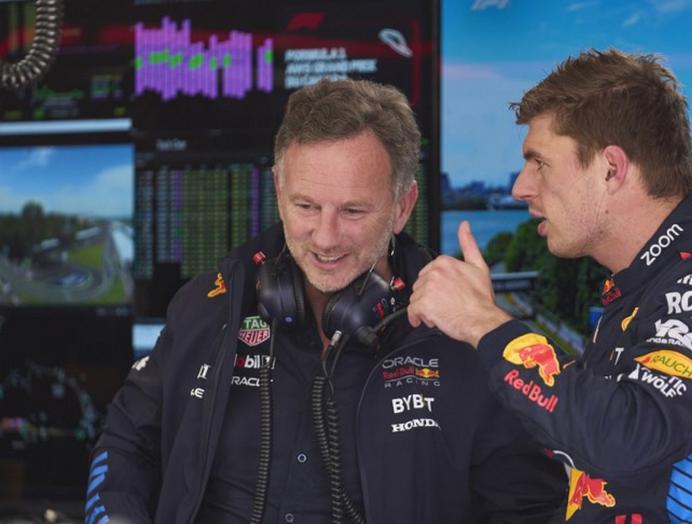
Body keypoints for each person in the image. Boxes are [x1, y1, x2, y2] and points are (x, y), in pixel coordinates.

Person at [84, 79, 566, 523]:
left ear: (403, 206)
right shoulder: (208, 304)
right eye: (306, 206)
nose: (326, 237)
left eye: (353, 210)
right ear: (278, 190)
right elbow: (126, 441)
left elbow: (528, 507)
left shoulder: (463, 337)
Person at [408, 49, 692, 522]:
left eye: (539, 162)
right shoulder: (643, 292)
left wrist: (485, 323)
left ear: (611, 169)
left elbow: (627, 440)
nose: (520, 187)